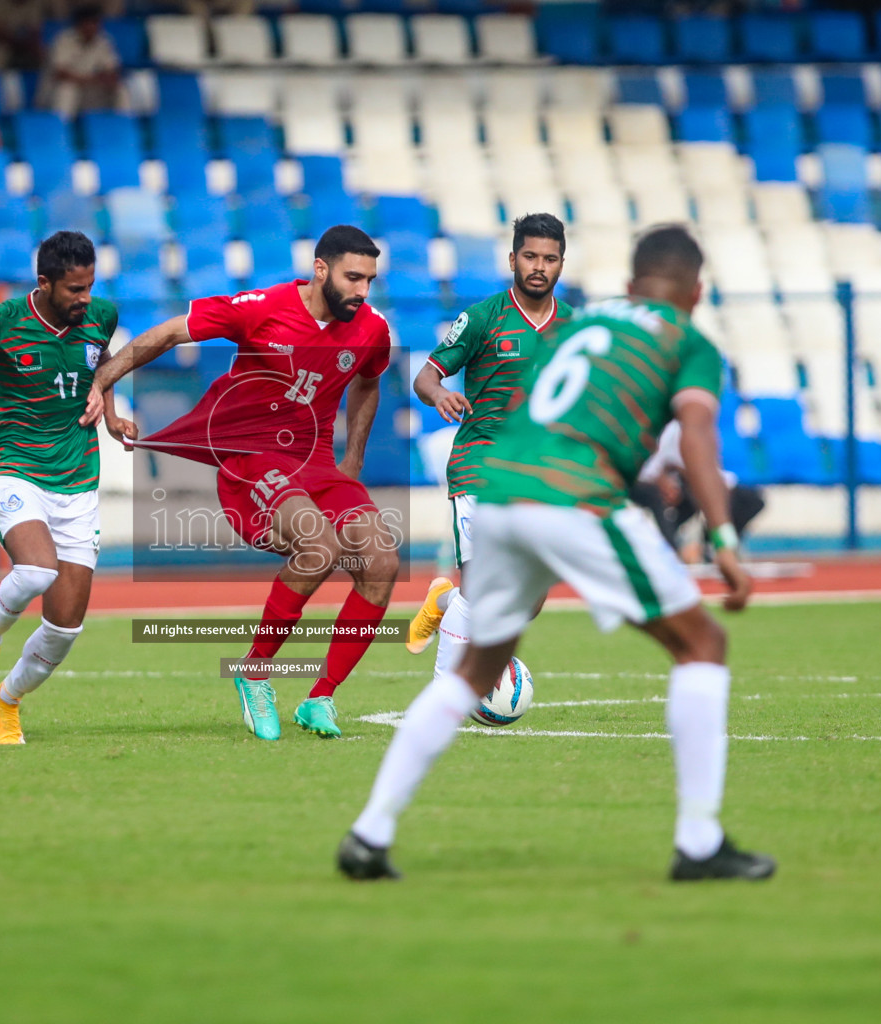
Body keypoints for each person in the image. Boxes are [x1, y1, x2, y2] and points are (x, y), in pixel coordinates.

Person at [338, 224, 775, 883]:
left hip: (502, 488)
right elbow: (698, 440)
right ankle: (699, 843)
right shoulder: (686, 341)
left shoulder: (581, 325)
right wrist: (725, 539)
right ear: (698, 292)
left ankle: (369, 834)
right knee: (703, 645)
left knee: (475, 669)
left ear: (629, 285)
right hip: (575, 496)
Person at [86, 225, 398, 742]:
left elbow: (369, 380)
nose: (363, 291)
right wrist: (102, 382)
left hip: (317, 462)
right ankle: (254, 671)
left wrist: (354, 460)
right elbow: (166, 333)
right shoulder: (262, 307)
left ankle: (320, 697)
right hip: (253, 456)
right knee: (318, 545)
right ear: (321, 270)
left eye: (370, 280)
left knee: (382, 560)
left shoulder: (372, 329)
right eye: (353, 277)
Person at [0, 231, 130, 745]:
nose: (84, 299)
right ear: (44, 283)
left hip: (77, 477)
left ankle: (6, 700)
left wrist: (111, 413)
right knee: (34, 569)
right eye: (75, 289)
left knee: (65, 628)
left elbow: (105, 362)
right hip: (15, 465)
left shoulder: (101, 315)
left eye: (90, 286)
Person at [405, 213, 572, 688]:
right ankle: (443, 697)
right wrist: (439, 395)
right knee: (480, 586)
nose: (539, 266)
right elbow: (426, 375)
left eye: (550, 258)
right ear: (513, 258)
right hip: (479, 461)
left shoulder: (576, 327)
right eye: (530, 256)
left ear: (561, 264)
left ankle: (442, 603)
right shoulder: (482, 318)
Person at [631, 421, 767, 562]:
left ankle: (718, 545)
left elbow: (704, 465)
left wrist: (721, 483)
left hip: (687, 479)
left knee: (750, 499)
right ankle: (670, 551)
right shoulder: (656, 425)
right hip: (654, 480)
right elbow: (659, 464)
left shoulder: (692, 427)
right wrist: (663, 480)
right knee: (688, 497)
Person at [39, 5, 124, 119]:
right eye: (88, 23)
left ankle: (121, 127)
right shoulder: (63, 39)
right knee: (68, 90)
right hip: (54, 95)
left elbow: (113, 71)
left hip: (89, 93)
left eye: (95, 23)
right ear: (79, 25)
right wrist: (93, 79)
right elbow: (61, 75)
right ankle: (61, 129)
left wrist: (107, 78)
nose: (92, 27)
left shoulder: (104, 40)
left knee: (120, 88)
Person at [0, 0, 55, 72]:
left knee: (44, 51)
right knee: (0, 51)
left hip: (18, 44)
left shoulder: (33, 3)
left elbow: (34, 32)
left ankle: (37, 86)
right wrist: (19, 42)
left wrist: (34, 46)